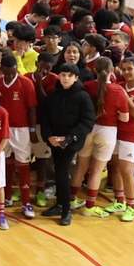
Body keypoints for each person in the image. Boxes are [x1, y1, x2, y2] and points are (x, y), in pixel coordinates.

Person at [37, 59, 95, 227]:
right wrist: (49, 137)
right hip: (55, 141)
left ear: (76, 77)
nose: (66, 78)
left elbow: (87, 121)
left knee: (62, 172)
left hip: (71, 142)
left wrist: (69, 138)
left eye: (69, 76)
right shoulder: (53, 96)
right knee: (59, 171)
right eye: (63, 75)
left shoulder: (83, 97)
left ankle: (66, 209)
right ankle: (61, 204)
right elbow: (46, 118)